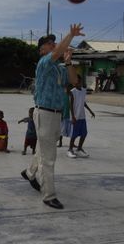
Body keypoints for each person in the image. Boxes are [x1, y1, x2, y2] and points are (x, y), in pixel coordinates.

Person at [21, 24, 84, 209]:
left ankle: (29, 172)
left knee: (44, 149)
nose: (54, 44)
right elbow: (57, 53)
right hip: (45, 113)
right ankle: (49, 195)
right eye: (50, 43)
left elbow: (74, 81)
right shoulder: (44, 63)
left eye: (54, 42)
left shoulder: (58, 67)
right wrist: (71, 35)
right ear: (42, 50)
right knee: (49, 157)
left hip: (56, 115)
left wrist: (69, 62)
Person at [67, 75, 95, 158]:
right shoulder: (72, 92)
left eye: (78, 81)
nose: (76, 83)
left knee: (84, 133)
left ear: (80, 82)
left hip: (82, 116)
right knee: (74, 134)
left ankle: (79, 148)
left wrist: (90, 111)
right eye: (75, 82)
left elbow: (83, 102)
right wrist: (73, 117)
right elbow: (71, 105)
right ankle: (70, 149)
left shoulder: (83, 91)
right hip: (75, 116)